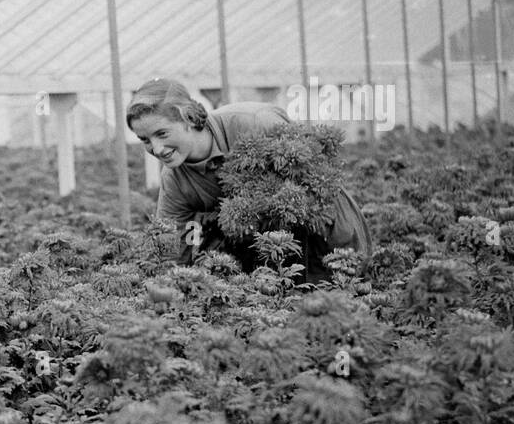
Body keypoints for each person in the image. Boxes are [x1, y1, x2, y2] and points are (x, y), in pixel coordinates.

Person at [126, 78, 372, 278]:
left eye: (162, 133)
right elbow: (171, 244)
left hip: (322, 230)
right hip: (260, 251)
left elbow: (321, 186)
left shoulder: (255, 123)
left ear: (189, 118)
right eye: (145, 140)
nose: (156, 149)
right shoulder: (174, 180)